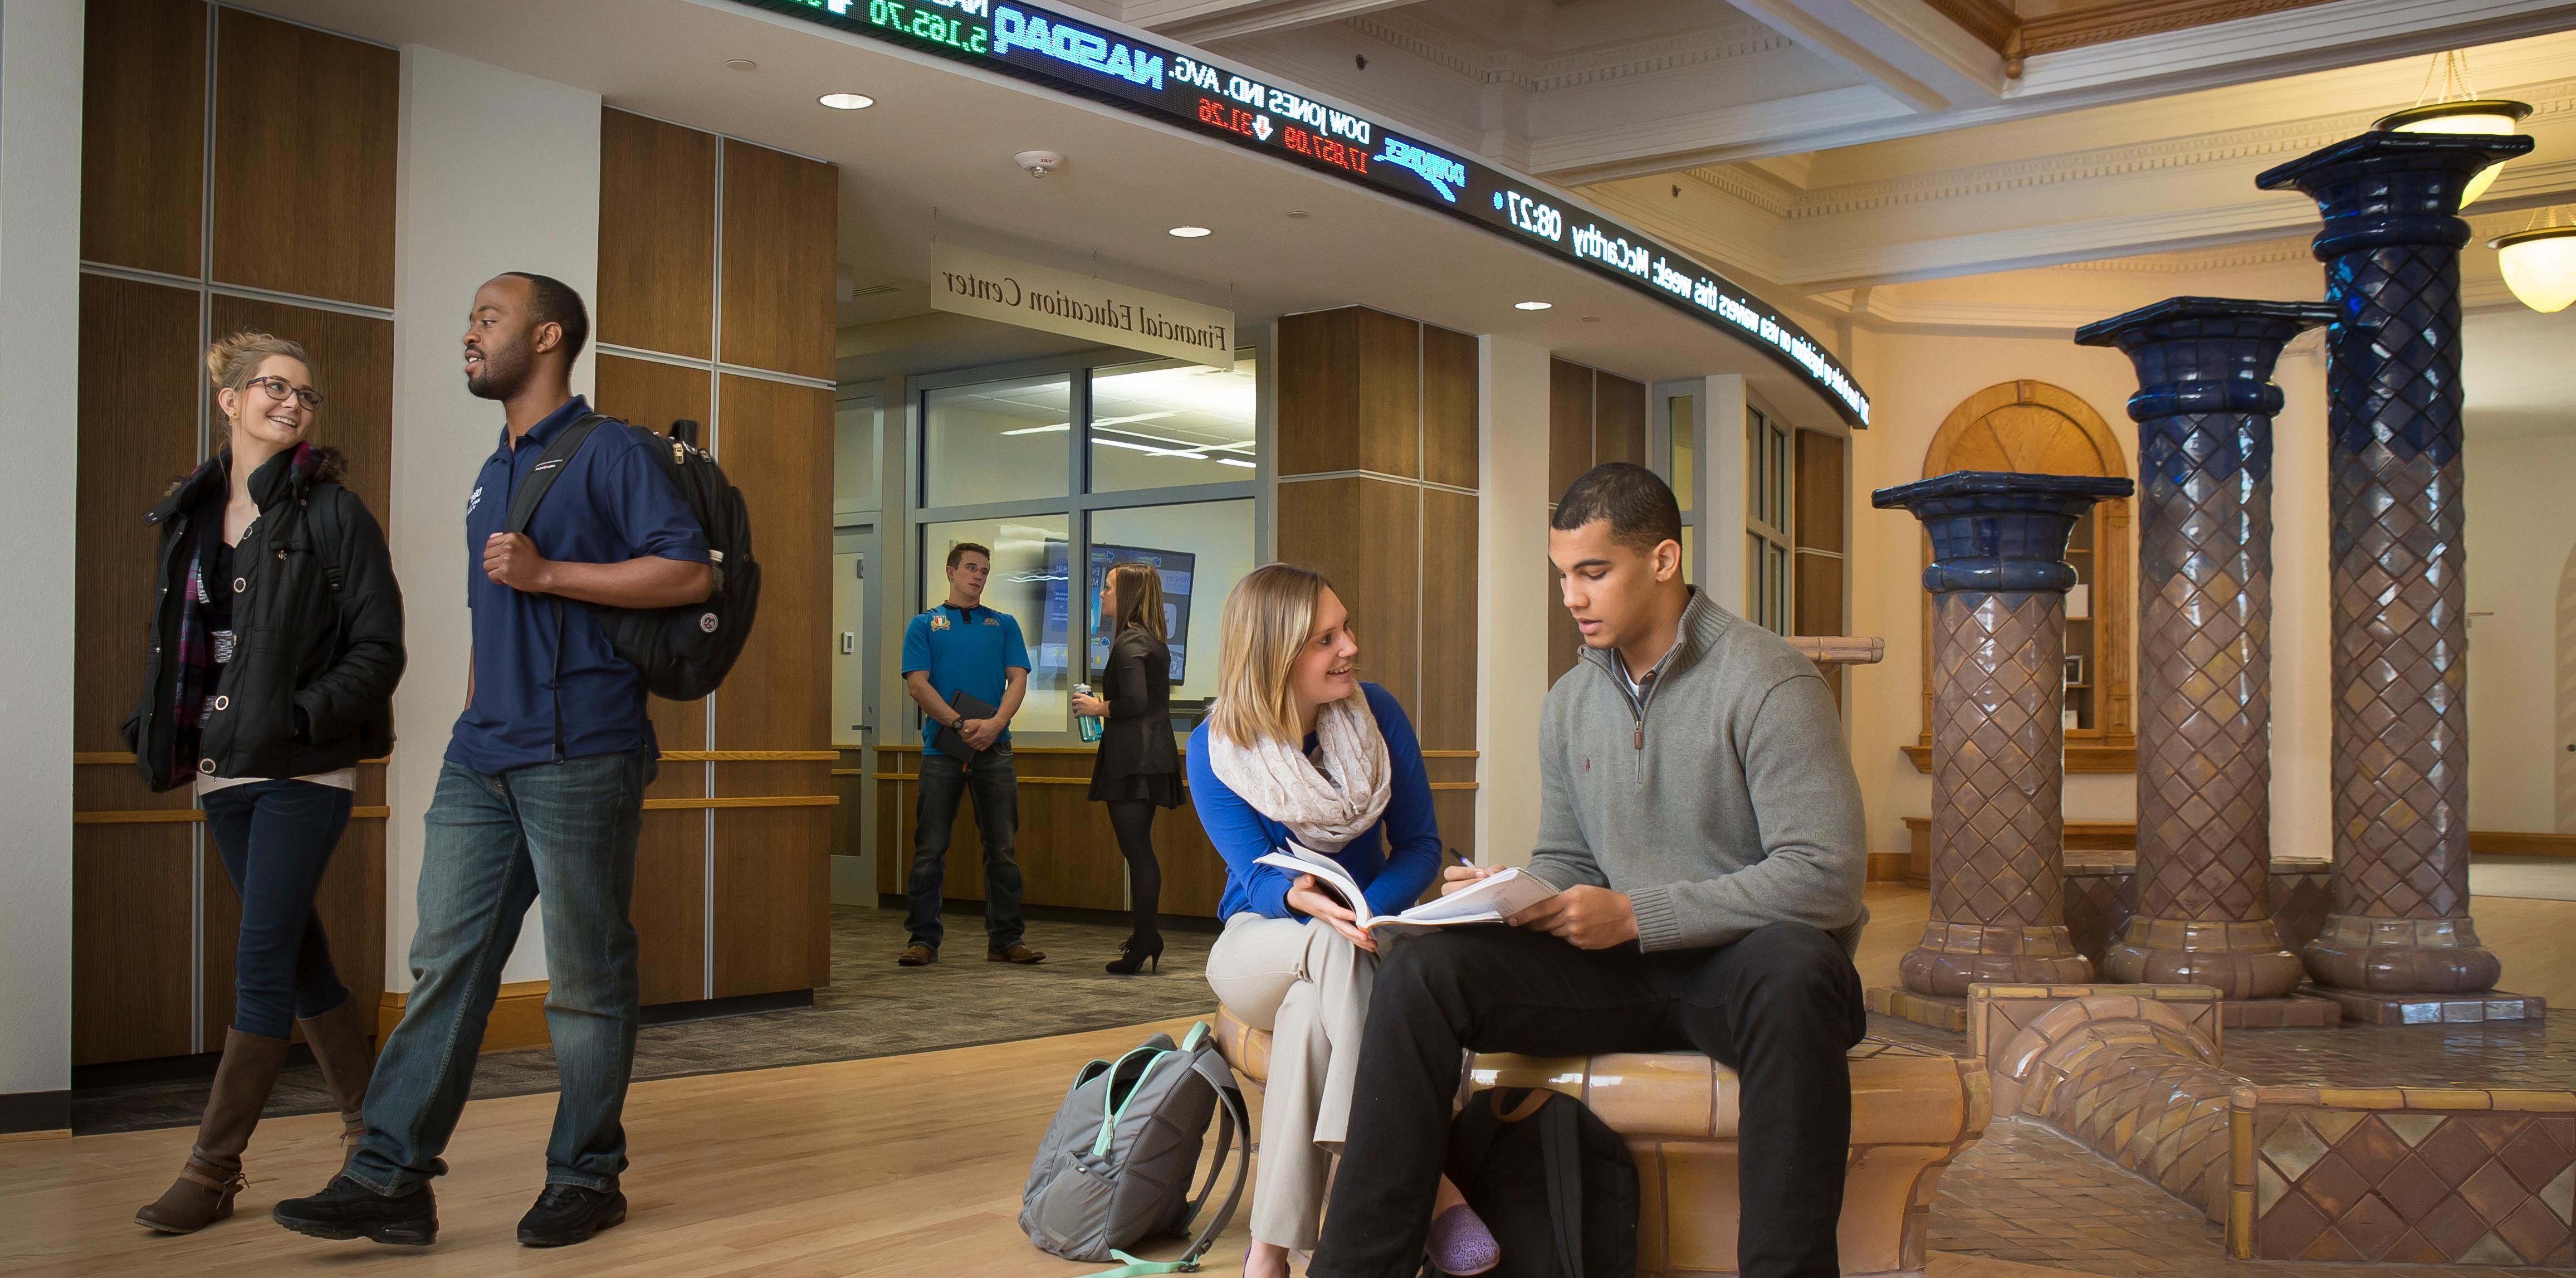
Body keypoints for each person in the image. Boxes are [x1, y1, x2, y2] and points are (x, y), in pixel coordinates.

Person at [1308, 462, 1870, 1278]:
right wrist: (1516, 895)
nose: (1572, 595)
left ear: (1664, 561)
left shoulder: (1770, 679)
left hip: (1740, 976)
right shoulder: (1570, 699)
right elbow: (1569, 857)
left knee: (1798, 968)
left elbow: (1825, 876)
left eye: (1593, 572)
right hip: (1615, 973)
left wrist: (1639, 913)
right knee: (1424, 971)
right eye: (1563, 574)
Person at [272, 273, 713, 1250]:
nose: (468, 333)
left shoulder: (614, 452)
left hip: (584, 747)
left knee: (586, 976)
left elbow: (690, 569)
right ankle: (390, 1175)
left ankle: (587, 1174)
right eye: (471, 318)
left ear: (547, 335)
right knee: (444, 964)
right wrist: (474, 707)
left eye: (487, 319)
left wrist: (551, 570)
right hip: (486, 752)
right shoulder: (495, 463)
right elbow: (495, 608)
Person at [127, 334, 405, 1235]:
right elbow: (179, 644)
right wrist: (158, 724)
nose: (293, 404)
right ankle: (377, 1137)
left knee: (258, 964)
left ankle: (212, 1170)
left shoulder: (334, 513)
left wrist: (295, 717)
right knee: (297, 959)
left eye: (307, 394)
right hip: (222, 769)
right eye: (275, 388)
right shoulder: (190, 515)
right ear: (230, 400)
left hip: (302, 768)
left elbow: (378, 650)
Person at [1191, 564, 1495, 1278]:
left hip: (1358, 940)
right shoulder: (1216, 746)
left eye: (1345, 627)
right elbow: (1255, 878)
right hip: (1256, 944)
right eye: (1325, 638)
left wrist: (1368, 907)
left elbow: (1419, 844)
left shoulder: (1376, 713)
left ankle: (1268, 1250)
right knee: (1323, 950)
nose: (1350, 646)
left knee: (1307, 1019)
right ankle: (1423, 1179)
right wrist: (1307, 901)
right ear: (1276, 654)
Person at [898, 542, 1045, 967]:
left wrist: (996, 724)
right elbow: (917, 685)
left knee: (1002, 848)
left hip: (994, 749)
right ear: (950, 572)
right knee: (930, 848)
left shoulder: (1004, 624)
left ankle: (1006, 940)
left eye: (984, 570)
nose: (977, 576)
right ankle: (922, 940)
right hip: (942, 750)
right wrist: (959, 724)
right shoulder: (924, 625)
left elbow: (1017, 680)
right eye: (969, 568)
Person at [1070, 562, 1184, 974]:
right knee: (1140, 851)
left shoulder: (1128, 642)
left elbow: (1133, 703)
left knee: (1137, 852)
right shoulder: (1151, 640)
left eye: (1109, 587)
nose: (1102, 594)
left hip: (1132, 756)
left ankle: (1145, 938)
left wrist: (1096, 707)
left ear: (1130, 594)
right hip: (1150, 753)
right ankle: (1144, 937)